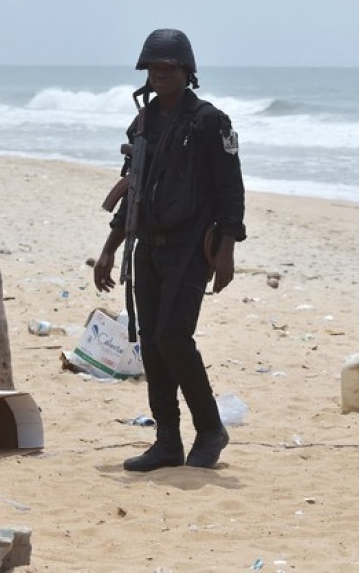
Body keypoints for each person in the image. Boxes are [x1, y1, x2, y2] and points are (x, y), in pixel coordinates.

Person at [94, 29, 246, 472]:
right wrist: (109, 247)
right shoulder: (143, 123)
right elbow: (132, 190)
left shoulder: (209, 121)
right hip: (148, 246)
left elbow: (230, 189)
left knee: (174, 340)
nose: (160, 74)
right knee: (153, 346)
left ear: (187, 72)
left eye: (169, 67)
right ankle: (166, 442)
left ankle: (211, 429)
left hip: (190, 248)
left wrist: (227, 248)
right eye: (153, 68)